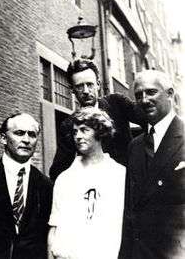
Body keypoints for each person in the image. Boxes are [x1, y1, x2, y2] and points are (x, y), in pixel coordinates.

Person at [0, 113, 53, 259]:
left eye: (32, 135)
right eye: (19, 133)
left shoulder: (46, 185)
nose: (26, 140)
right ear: (4, 138)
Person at [119, 70, 185, 259]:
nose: (144, 100)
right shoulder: (135, 146)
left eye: (151, 92)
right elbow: (130, 209)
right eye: (138, 95)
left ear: (170, 94)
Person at [49, 59, 146, 181]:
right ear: (72, 90)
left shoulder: (117, 103)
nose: (85, 91)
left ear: (98, 84)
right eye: (79, 86)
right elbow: (58, 170)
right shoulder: (68, 125)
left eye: (89, 84)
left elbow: (148, 120)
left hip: (129, 181)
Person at [48, 107, 126, 259]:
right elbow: (54, 227)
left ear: (100, 132)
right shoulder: (65, 178)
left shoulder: (120, 174)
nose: (77, 136)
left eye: (84, 130)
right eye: (75, 131)